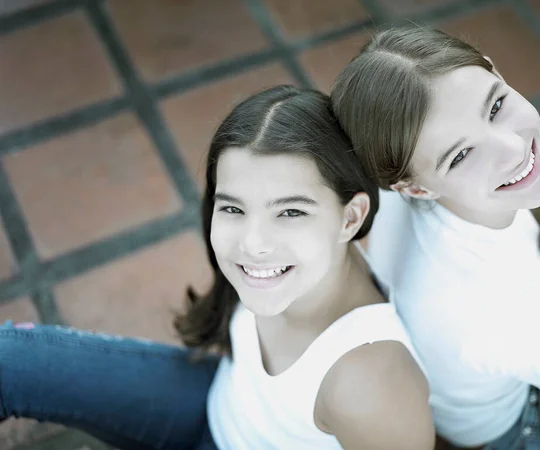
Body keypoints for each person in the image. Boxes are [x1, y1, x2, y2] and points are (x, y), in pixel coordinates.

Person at [0, 85, 434, 450]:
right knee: (9, 360)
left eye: (290, 212)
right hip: (210, 404)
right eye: (233, 208)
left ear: (351, 218)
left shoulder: (371, 382)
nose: (253, 244)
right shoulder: (300, 265)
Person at [330, 26, 540, 450]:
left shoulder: (402, 178)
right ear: (415, 188)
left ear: (492, 68)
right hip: (531, 421)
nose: (511, 146)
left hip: (493, 353)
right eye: (460, 155)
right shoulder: (495, 305)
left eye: (494, 106)